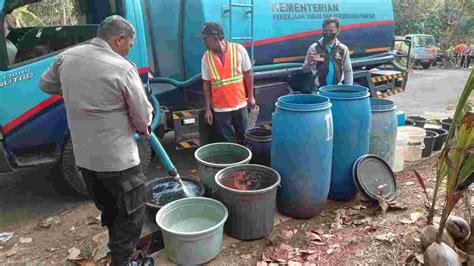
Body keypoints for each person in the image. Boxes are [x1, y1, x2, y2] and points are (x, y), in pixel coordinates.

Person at [39, 15, 153, 265]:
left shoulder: (68, 56)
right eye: (130, 44)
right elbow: (143, 118)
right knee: (131, 216)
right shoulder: (122, 68)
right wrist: (144, 130)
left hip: (86, 161)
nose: (129, 49)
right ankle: (123, 261)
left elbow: (45, 84)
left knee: (110, 209)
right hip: (119, 162)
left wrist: (74, 93)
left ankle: (117, 249)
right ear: (119, 39)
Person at [200, 22, 255, 144]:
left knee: (244, 138)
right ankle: (233, 162)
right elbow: (206, 84)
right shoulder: (206, 58)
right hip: (220, 109)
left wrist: (250, 96)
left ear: (215, 38)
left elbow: (248, 74)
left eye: (206, 39)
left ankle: (245, 162)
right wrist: (208, 109)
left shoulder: (238, 49)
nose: (204, 42)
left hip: (240, 105)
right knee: (226, 140)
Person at [303, 18, 353, 89]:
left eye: (331, 31)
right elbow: (305, 70)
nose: (328, 33)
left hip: (337, 90)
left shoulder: (343, 49)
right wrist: (309, 64)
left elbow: (348, 70)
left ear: (338, 31)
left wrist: (349, 89)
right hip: (319, 90)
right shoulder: (314, 48)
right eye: (325, 31)